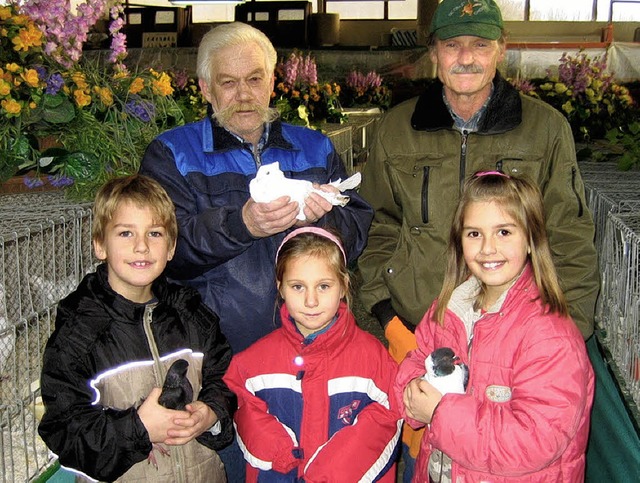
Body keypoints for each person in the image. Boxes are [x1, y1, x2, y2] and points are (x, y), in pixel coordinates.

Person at [357, 0, 599, 476]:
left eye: (480, 44)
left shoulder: (545, 129)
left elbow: (568, 235)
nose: (465, 57)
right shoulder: (394, 130)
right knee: (434, 462)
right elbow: (376, 226)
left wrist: (564, 331)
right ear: (433, 54)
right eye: (452, 45)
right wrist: (386, 319)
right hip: (420, 339)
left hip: (516, 353)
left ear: (501, 51)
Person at [139, 21, 372, 355]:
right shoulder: (172, 154)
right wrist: (242, 225)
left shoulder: (315, 148)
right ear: (206, 89)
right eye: (228, 83)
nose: (244, 95)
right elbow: (164, 251)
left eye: (254, 79)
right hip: (216, 349)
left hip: (313, 344)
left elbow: (357, 236)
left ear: (272, 82)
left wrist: (319, 223)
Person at [396, 171, 594, 482]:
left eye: (504, 232)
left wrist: (439, 412)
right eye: (474, 233)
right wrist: (412, 392)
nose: (488, 248)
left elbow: (535, 441)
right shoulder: (449, 308)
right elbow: (417, 358)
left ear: (531, 239)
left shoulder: (550, 336)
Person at [38, 174, 236, 482]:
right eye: (126, 233)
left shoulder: (193, 316)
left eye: (155, 233)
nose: (142, 246)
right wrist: (138, 429)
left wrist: (210, 413)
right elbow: (65, 432)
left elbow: (225, 379)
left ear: (171, 247)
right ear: (100, 245)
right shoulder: (80, 332)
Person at [223, 227, 402, 482]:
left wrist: (331, 472)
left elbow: (389, 413)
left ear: (343, 287)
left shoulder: (373, 358)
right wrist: (279, 452)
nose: (310, 301)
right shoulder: (253, 361)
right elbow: (237, 399)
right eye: (297, 286)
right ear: (280, 288)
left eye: (324, 286)